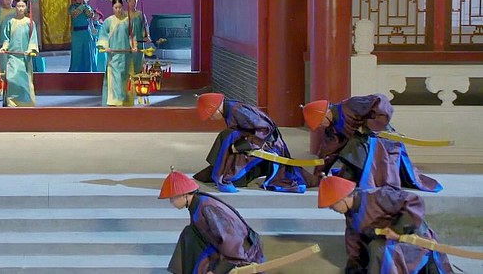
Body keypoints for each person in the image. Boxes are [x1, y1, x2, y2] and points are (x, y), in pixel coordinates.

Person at [303, 94, 441, 192]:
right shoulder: (332, 129)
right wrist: (319, 175)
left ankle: (369, 179)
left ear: (325, 113)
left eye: (320, 122)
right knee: (348, 157)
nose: (321, 125)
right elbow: (328, 152)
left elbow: (381, 100)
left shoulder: (351, 104)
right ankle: (356, 177)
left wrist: (369, 126)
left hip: (380, 141)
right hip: (359, 148)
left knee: (353, 145)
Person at [318, 176, 455, 274]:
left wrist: (397, 230)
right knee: (376, 249)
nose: (332, 209)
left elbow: (414, 201)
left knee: (380, 251)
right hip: (385, 240)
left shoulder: (378, 196)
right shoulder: (351, 213)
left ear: (342, 199)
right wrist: (354, 266)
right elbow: (353, 240)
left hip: (411, 234)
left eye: (332, 206)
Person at [193, 93, 319, 193]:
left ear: (215, 109)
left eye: (211, 115)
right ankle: (222, 171)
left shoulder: (238, 110)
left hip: (267, 143)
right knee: (227, 136)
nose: (211, 118)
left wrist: (246, 144)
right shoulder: (230, 110)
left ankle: (228, 175)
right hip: (252, 139)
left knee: (229, 136)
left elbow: (265, 128)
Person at [160, 168, 264, 274]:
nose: (171, 202)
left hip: (241, 252)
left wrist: (217, 271)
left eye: (172, 198)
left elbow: (232, 240)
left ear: (184, 194)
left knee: (190, 235)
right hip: (224, 247)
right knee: (189, 234)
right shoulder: (196, 204)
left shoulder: (207, 208)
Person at [0, 0, 39, 107]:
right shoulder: (10, 22)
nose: (20, 8)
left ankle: (26, 102)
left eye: (22, 6)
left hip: (25, 56)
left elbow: (33, 38)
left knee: (24, 79)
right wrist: (4, 47)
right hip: (12, 55)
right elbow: (6, 38)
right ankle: (12, 102)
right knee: (12, 77)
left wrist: (31, 50)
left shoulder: (29, 22)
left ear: (26, 8)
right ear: (15, 7)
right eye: (18, 6)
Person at [97, 0, 136, 106]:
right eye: (116, 7)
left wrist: (133, 46)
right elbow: (103, 36)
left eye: (120, 7)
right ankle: (115, 100)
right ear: (112, 8)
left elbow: (132, 36)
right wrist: (106, 47)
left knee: (125, 76)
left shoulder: (128, 20)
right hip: (113, 55)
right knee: (115, 77)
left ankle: (125, 100)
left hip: (126, 55)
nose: (118, 10)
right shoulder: (108, 21)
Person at [122, 0, 151, 73]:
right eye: (130, 1)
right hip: (126, 44)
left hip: (138, 44)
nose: (133, 3)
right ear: (127, 2)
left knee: (138, 65)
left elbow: (145, 27)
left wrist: (146, 36)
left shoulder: (140, 15)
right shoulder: (123, 15)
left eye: (135, 1)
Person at [68, 0, 96, 72]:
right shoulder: (72, 7)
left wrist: (84, 7)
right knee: (77, 52)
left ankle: (88, 70)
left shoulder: (87, 7)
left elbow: (90, 15)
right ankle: (75, 71)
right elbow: (74, 14)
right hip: (76, 33)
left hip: (86, 32)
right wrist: (81, 7)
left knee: (87, 52)